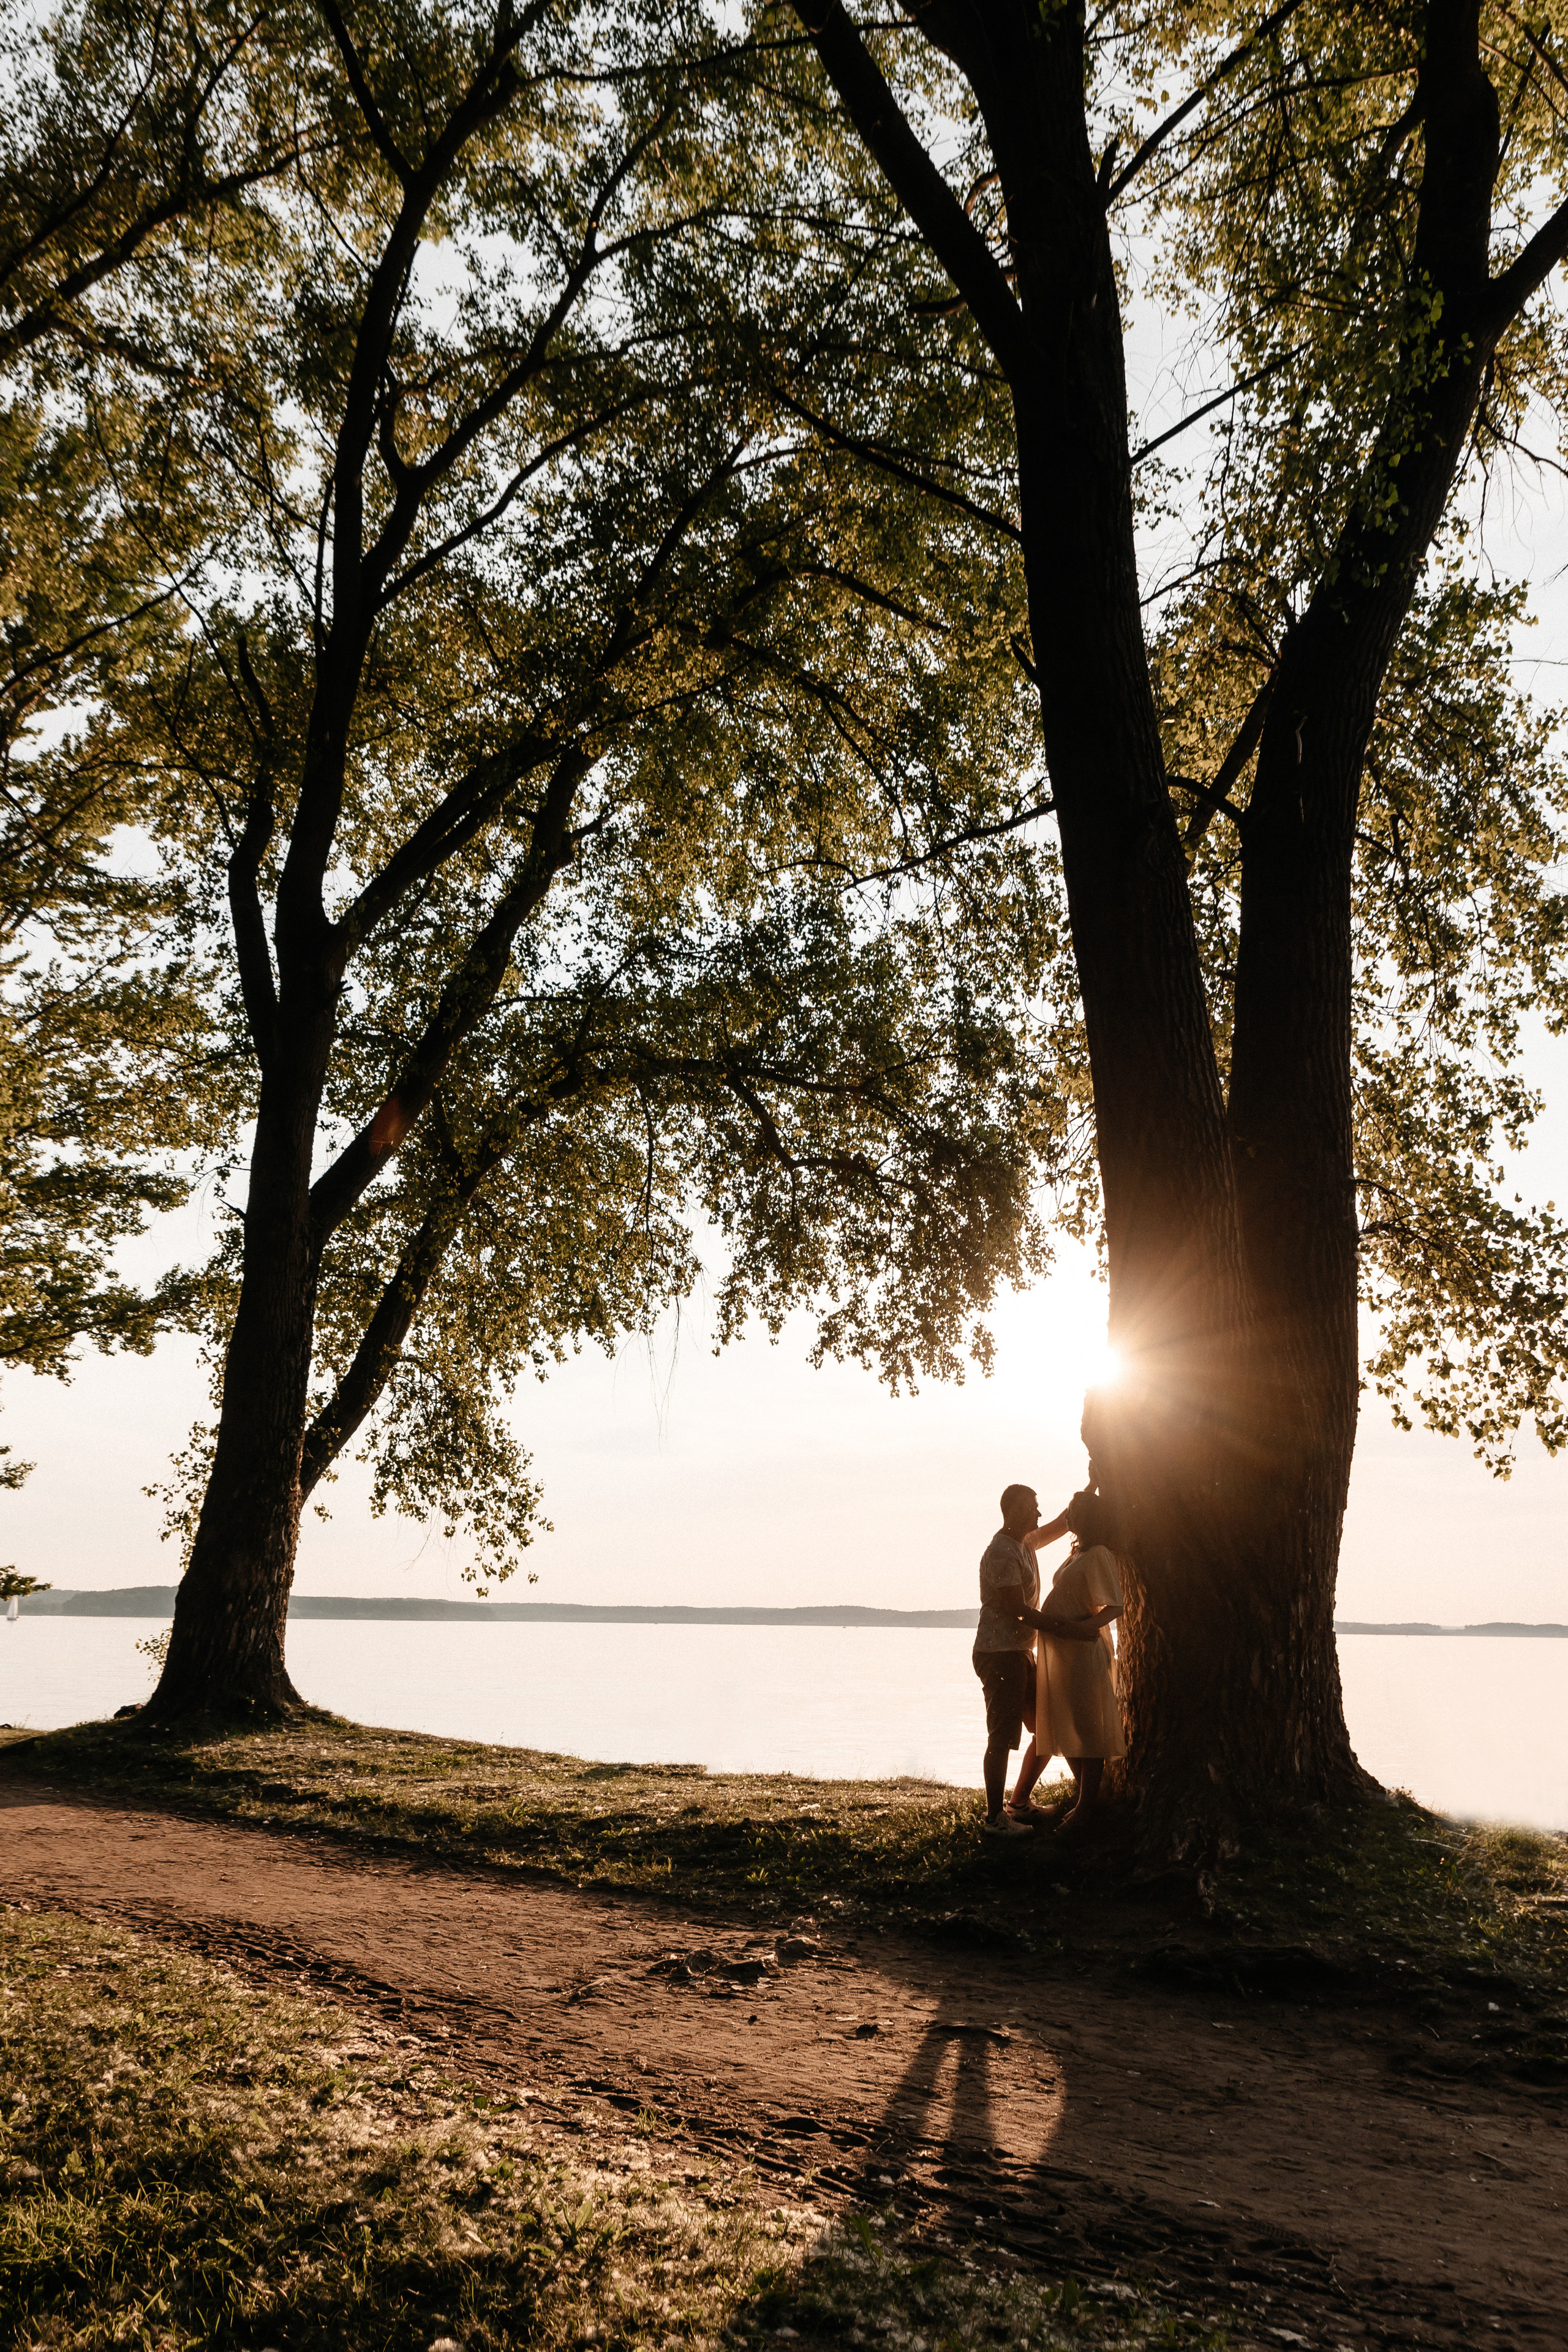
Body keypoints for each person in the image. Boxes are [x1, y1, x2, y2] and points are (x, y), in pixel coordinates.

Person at [1010, 1485, 1126, 1832]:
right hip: (1064, 1654)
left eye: (1074, 1511)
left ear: (1086, 1518)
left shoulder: (1099, 1553)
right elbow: (1063, 1521)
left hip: (1082, 1653)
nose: (1065, 1516)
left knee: (1090, 1728)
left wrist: (1080, 1629)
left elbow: (1115, 1606)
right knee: (1072, 1723)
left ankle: (1087, 1809)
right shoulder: (1078, 1553)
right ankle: (1089, 1799)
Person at [974, 1482, 1069, 1835]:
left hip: (1020, 1653)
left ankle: (1018, 1805)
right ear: (1014, 1510)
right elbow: (1016, 1609)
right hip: (999, 1654)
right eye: (1033, 1507)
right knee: (1002, 1736)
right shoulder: (1001, 1551)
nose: (1039, 1513)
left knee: (1046, 1729)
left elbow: (1062, 1524)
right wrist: (1064, 1626)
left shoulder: (1025, 1542)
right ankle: (994, 1820)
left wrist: (1093, 1485)